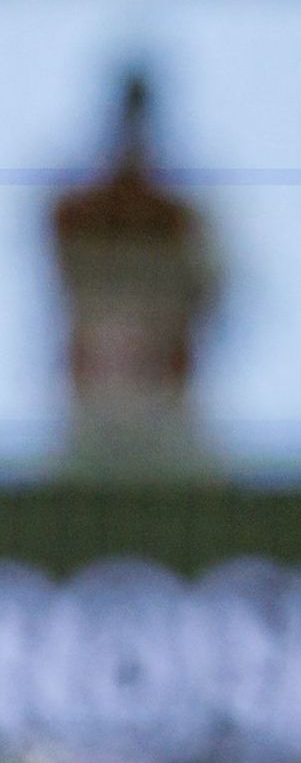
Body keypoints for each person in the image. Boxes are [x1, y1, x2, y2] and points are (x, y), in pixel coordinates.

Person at [53, 61, 222, 477]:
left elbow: (211, 303)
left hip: (165, 420)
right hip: (95, 422)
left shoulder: (181, 220)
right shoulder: (76, 215)